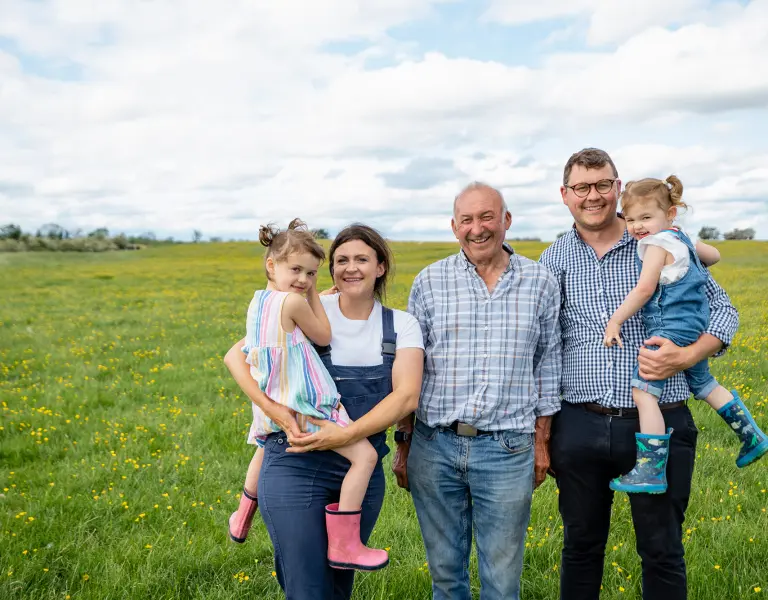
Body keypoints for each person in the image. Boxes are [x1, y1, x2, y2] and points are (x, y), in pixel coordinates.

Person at [539, 148, 740, 600]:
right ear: (565, 194)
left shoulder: (661, 239)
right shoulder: (553, 260)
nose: (593, 196)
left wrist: (686, 358)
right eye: (581, 187)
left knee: (662, 549)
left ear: (618, 187)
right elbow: (545, 346)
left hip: (660, 420)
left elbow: (725, 313)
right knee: (580, 548)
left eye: (603, 185)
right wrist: (544, 432)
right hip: (580, 423)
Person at [224, 223, 424, 600]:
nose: (351, 268)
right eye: (341, 260)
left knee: (337, 585)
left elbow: (406, 397)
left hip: (358, 474)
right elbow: (237, 356)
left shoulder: (400, 325)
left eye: (362, 259)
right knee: (307, 587)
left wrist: (346, 435)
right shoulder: (302, 306)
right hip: (295, 462)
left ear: (380, 266)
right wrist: (271, 409)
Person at [394, 182, 562, 600]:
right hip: (434, 446)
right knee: (446, 577)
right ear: (454, 226)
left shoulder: (540, 282)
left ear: (506, 220)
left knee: (502, 582)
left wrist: (542, 441)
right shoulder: (429, 282)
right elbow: (409, 369)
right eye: (467, 219)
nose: (478, 228)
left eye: (487, 217)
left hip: (507, 450)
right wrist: (404, 444)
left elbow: (549, 364)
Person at [603, 176, 767, 493]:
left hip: (670, 326)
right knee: (704, 383)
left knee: (644, 392)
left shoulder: (654, 245)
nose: (637, 226)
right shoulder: (681, 238)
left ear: (671, 213)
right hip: (696, 324)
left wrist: (616, 321)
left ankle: (650, 468)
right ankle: (751, 435)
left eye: (646, 217)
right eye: (632, 218)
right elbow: (715, 255)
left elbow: (644, 289)